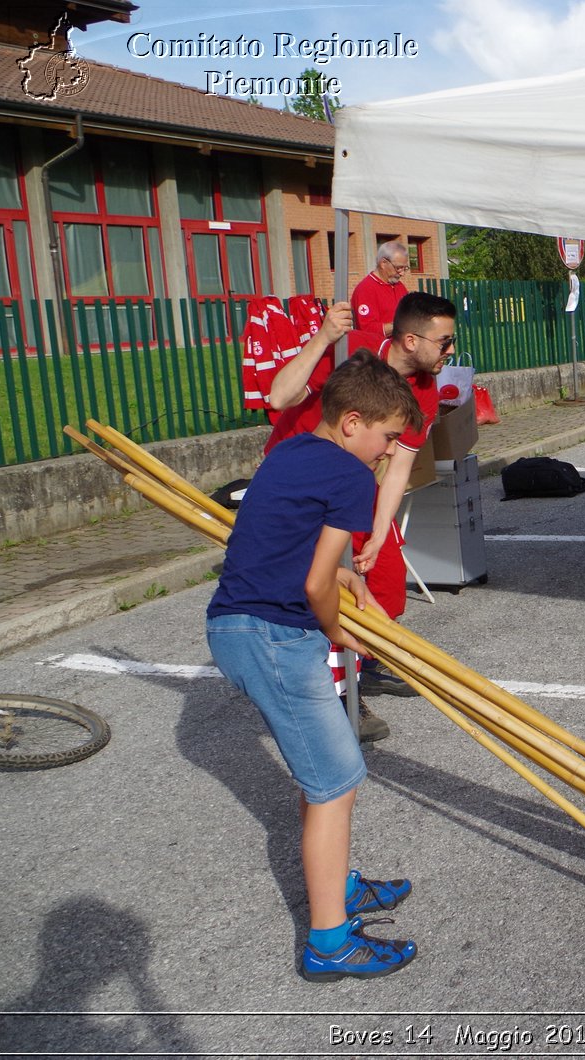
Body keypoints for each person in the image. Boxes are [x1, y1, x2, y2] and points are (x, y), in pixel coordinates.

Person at [206, 351, 423, 981]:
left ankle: (341, 885)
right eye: (387, 436)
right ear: (353, 422)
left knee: (322, 773)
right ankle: (329, 942)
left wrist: (345, 581)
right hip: (275, 636)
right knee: (337, 781)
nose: (389, 452)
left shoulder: (291, 453)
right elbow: (312, 584)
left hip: (241, 626)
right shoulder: (352, 478)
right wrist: (338, 632)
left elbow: (293, 546)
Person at [267, 292, 457, 739]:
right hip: (301, 475)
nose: (450, 351)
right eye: (444, 342)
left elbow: (399, 468)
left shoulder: (426, 392)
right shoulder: (349, 347)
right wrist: (322, 337)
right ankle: (336, 691)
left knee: (386, 582)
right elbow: (279, 396)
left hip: (356, 482)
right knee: (322, 583)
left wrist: (377, 531)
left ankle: (363, 660)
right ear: (411, 340)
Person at [351, 241, 409, 338]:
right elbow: (367, 329)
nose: (402, 273)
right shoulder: (365, 289)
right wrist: (402, 324)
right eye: (398, 268)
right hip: (379, 349)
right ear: (383, 263)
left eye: (405, 268)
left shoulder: (399, 286)